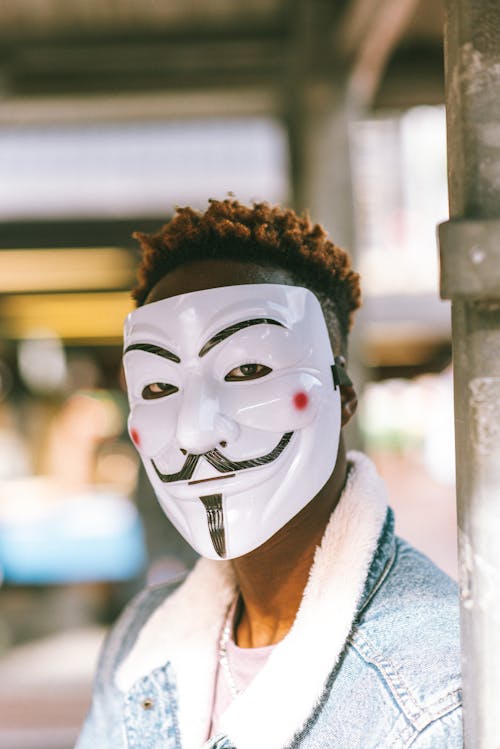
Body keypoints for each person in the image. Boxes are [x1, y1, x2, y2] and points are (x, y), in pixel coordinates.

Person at [76, 200, 462, 749]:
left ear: (343, 395)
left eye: (248, 370)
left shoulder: (441, 691)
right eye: (159, 387)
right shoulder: (142, 640)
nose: (195, 432)